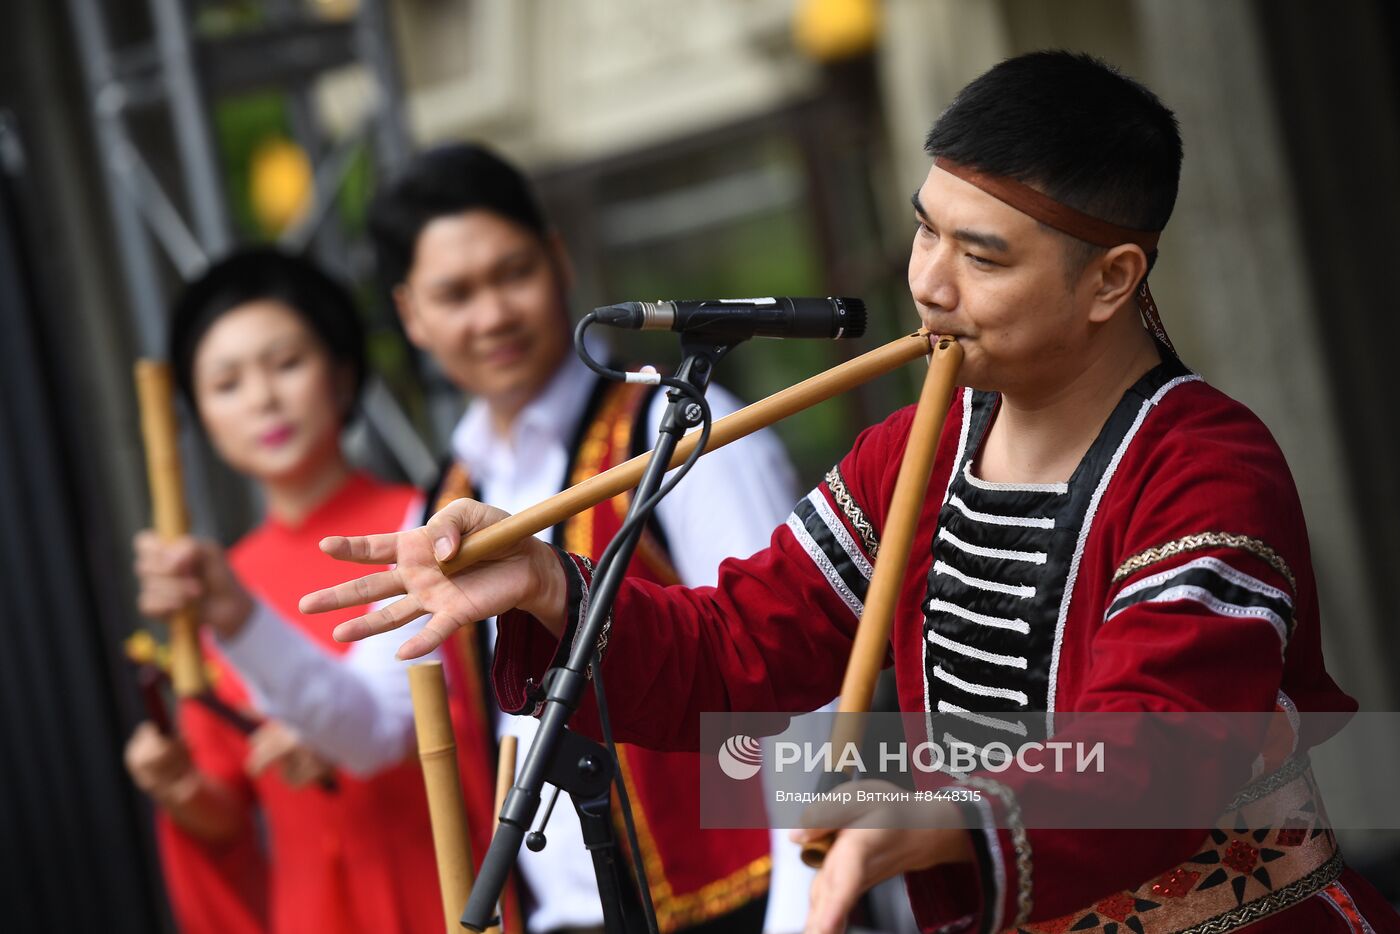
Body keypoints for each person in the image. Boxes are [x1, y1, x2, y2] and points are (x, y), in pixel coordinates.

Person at [303, 53, 1400, 934]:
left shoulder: (1204, 463)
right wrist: (547, 581)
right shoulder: (906, 450)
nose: (925, 281)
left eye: (980, 254)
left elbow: (1158, 745)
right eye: (924, 228)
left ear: (1111, 278)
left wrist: (940, 811)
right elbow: (736, 652)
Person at [364, 142, 813, 933]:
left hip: (742, 907)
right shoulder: (443, 498)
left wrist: (805, 908)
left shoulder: (684, 435)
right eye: (456, 292)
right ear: (412, 315)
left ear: (560, 261)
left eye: (513, 273)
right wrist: (237, 620)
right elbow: (369, 720)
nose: (493, 313)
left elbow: (806, 685)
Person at [123, 248, 445, 934]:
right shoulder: (213, 584)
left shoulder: (430, 523)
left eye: (286, 364)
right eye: (227, 383)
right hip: (311, 907)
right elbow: (226, 806)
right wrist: (178, 786)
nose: (263, 399)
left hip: (443, 874)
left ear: (342, 372)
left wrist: (328, 733)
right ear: (201, 417)